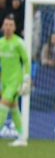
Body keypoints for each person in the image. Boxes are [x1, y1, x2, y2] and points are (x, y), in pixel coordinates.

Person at [0, 16, 31, 146]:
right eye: (6, 25)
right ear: (2, 26)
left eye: (10, 25)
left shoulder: (18, 43)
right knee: (14, 109)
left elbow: (26, 61)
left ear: (14, 28)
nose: (8, 27)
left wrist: (26, 80)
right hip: (4, 81)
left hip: (15, 81)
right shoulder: (0, 43)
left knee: (3, 105)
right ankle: (22, 137)